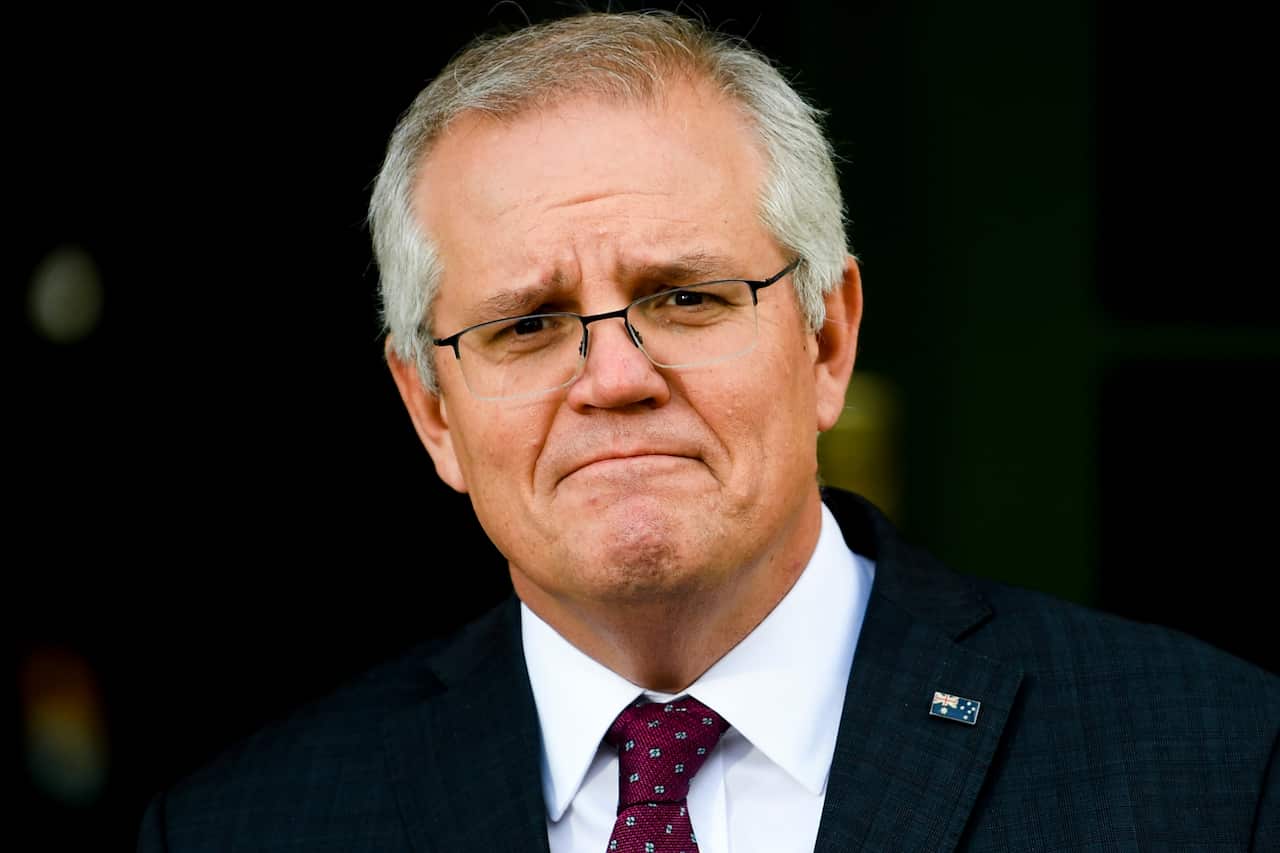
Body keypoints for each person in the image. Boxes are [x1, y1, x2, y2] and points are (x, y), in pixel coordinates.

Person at [138, 11, 1277, 852]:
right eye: (527, 324)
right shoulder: (243, 827)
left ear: (825, 337)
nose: (614, 379)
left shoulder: (1214, 764)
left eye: (683, 297)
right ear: (431, 411)